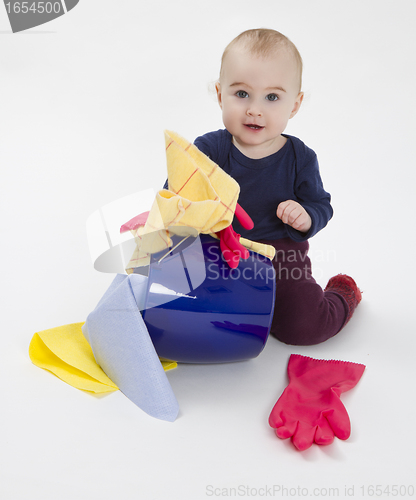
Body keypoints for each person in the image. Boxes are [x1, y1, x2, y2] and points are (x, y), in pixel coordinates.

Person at [189, 28, 362, 346]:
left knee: (305, 327)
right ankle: (251, 311)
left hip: (279, 255)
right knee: (196, 318)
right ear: (219, 94)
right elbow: (176, 194)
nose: (255, 109)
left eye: (272, 97)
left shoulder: (299, 157)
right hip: (218, 252)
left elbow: (321, 205)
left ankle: (342, 295)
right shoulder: (208, 149)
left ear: (294, 105)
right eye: (241, 94)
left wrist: (306, 215)